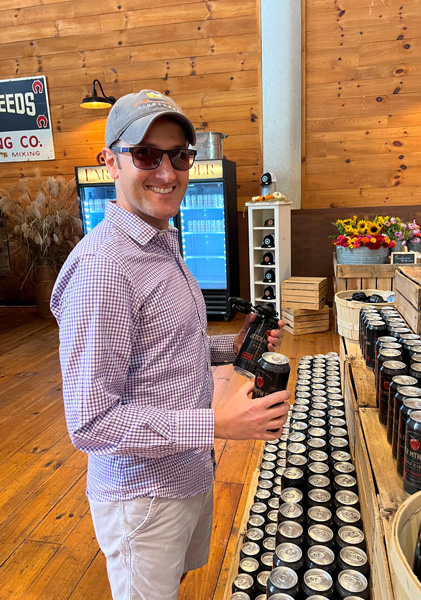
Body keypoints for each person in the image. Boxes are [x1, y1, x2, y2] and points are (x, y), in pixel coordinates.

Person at [50, 89, 290, 600]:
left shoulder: (159, 242)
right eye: (147, 155)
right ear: (110, 162)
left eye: (179, 155)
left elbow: (164, 346)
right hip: (143, 495)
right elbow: (91, 421)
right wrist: (219, 423)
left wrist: (232, 347)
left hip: (187, 470)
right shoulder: (103, 271)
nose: (167, 171)